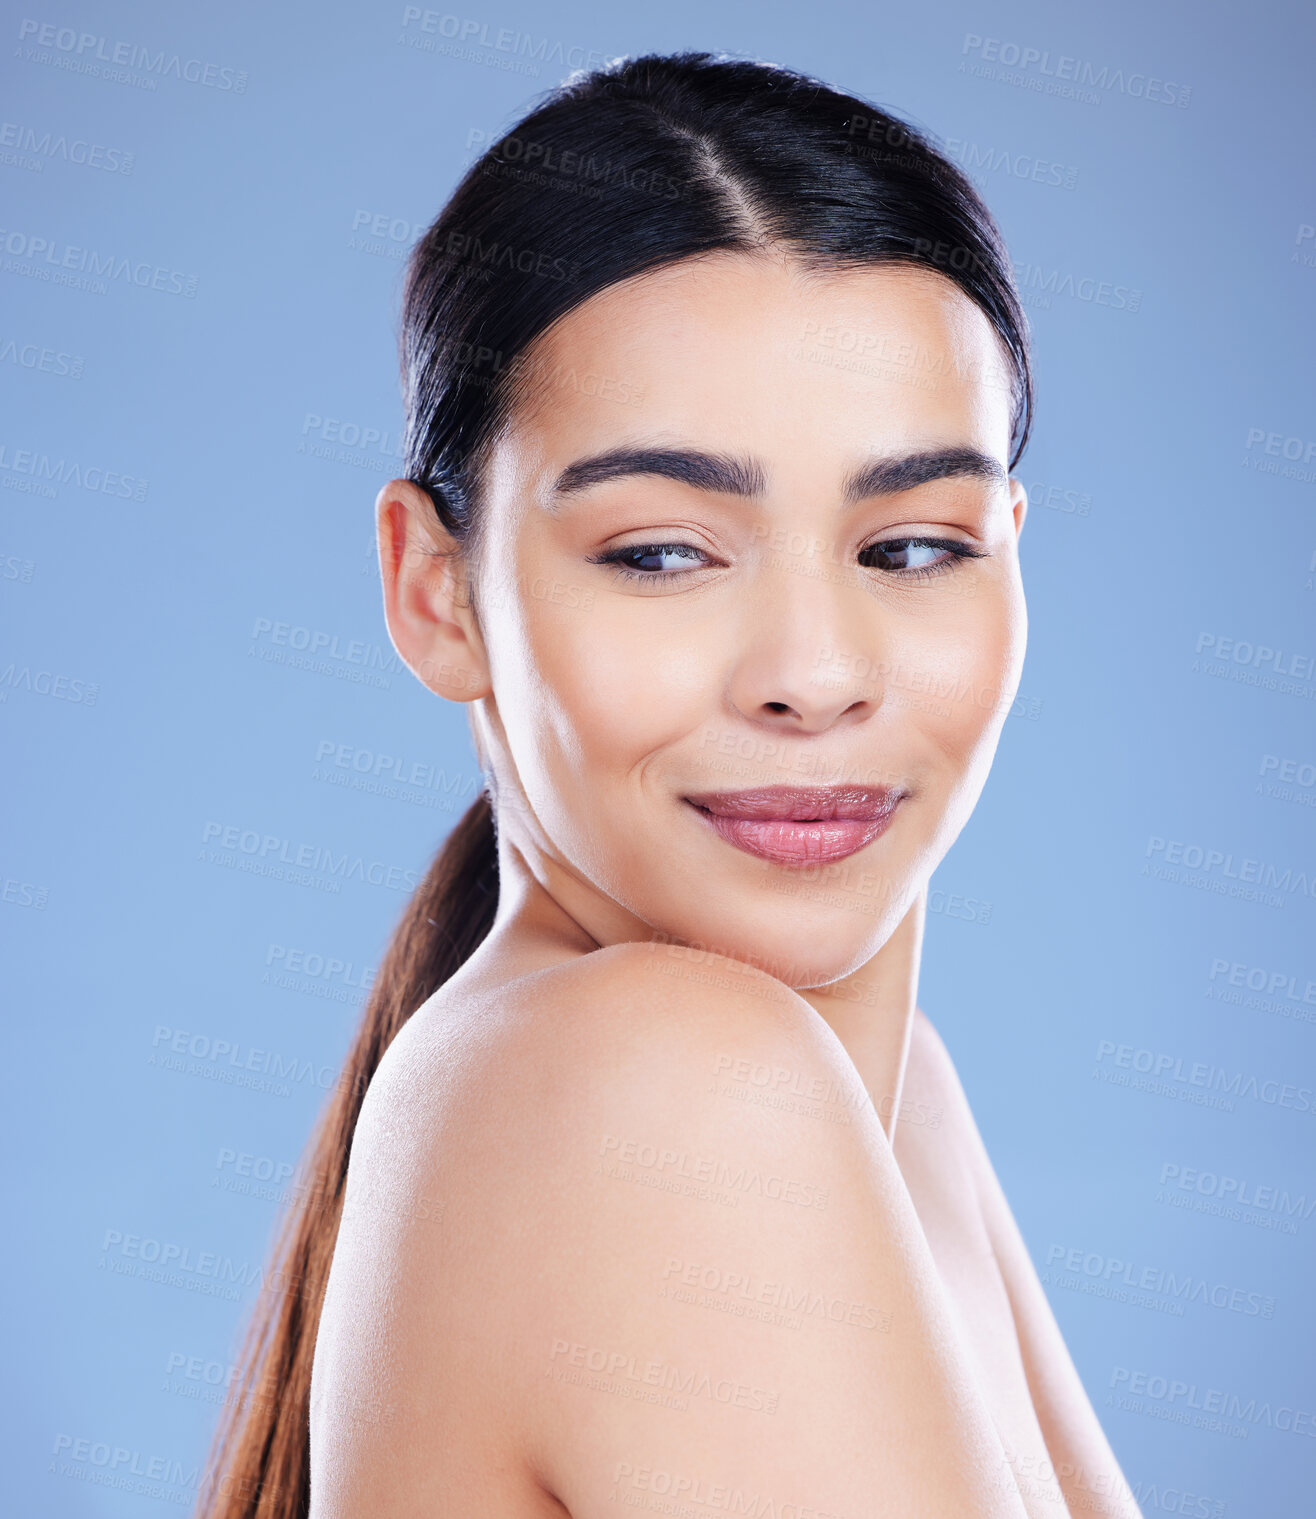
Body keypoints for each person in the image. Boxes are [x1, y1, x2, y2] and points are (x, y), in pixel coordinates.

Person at [197, 51, 1143, 1519]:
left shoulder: (892, 1100)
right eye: (661, 552)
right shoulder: (668, 1085)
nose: (816, 674)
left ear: (1012, 549)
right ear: (436, 592)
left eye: (911, 546)